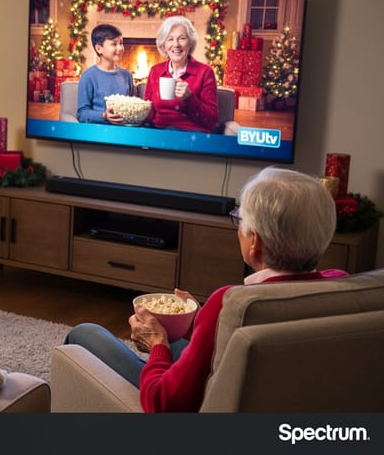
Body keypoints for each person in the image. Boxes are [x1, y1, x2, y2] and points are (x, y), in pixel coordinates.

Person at [64, 167, 349, 412]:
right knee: (180, 337)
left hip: (184, 418)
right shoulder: (340, 285)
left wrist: (157, 346)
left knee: (84, 333)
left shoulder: (229, 303)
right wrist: (199, 322)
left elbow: (165, 405)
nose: (239, 228)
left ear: (256, 243)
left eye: (241, 220)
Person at [143, 16, 219, 132]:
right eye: (170, 39)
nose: (176, 44)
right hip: (160, 132)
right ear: (164, 45)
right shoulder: (155, 71)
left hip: (192, 134)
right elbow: (149, 111)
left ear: (190, 43)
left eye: (182, 38)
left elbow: (211, 121)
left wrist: (189, 98)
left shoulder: (205, 72)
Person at [76, 23, 135, 124]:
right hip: (99, 131)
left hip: (124, 130)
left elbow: (133, 105)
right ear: (99, 49)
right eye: (114, 44)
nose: (120, 48)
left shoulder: (127, 75)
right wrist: (103, 115)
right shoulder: (88, 77)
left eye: (121, 43)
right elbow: (82, 113)